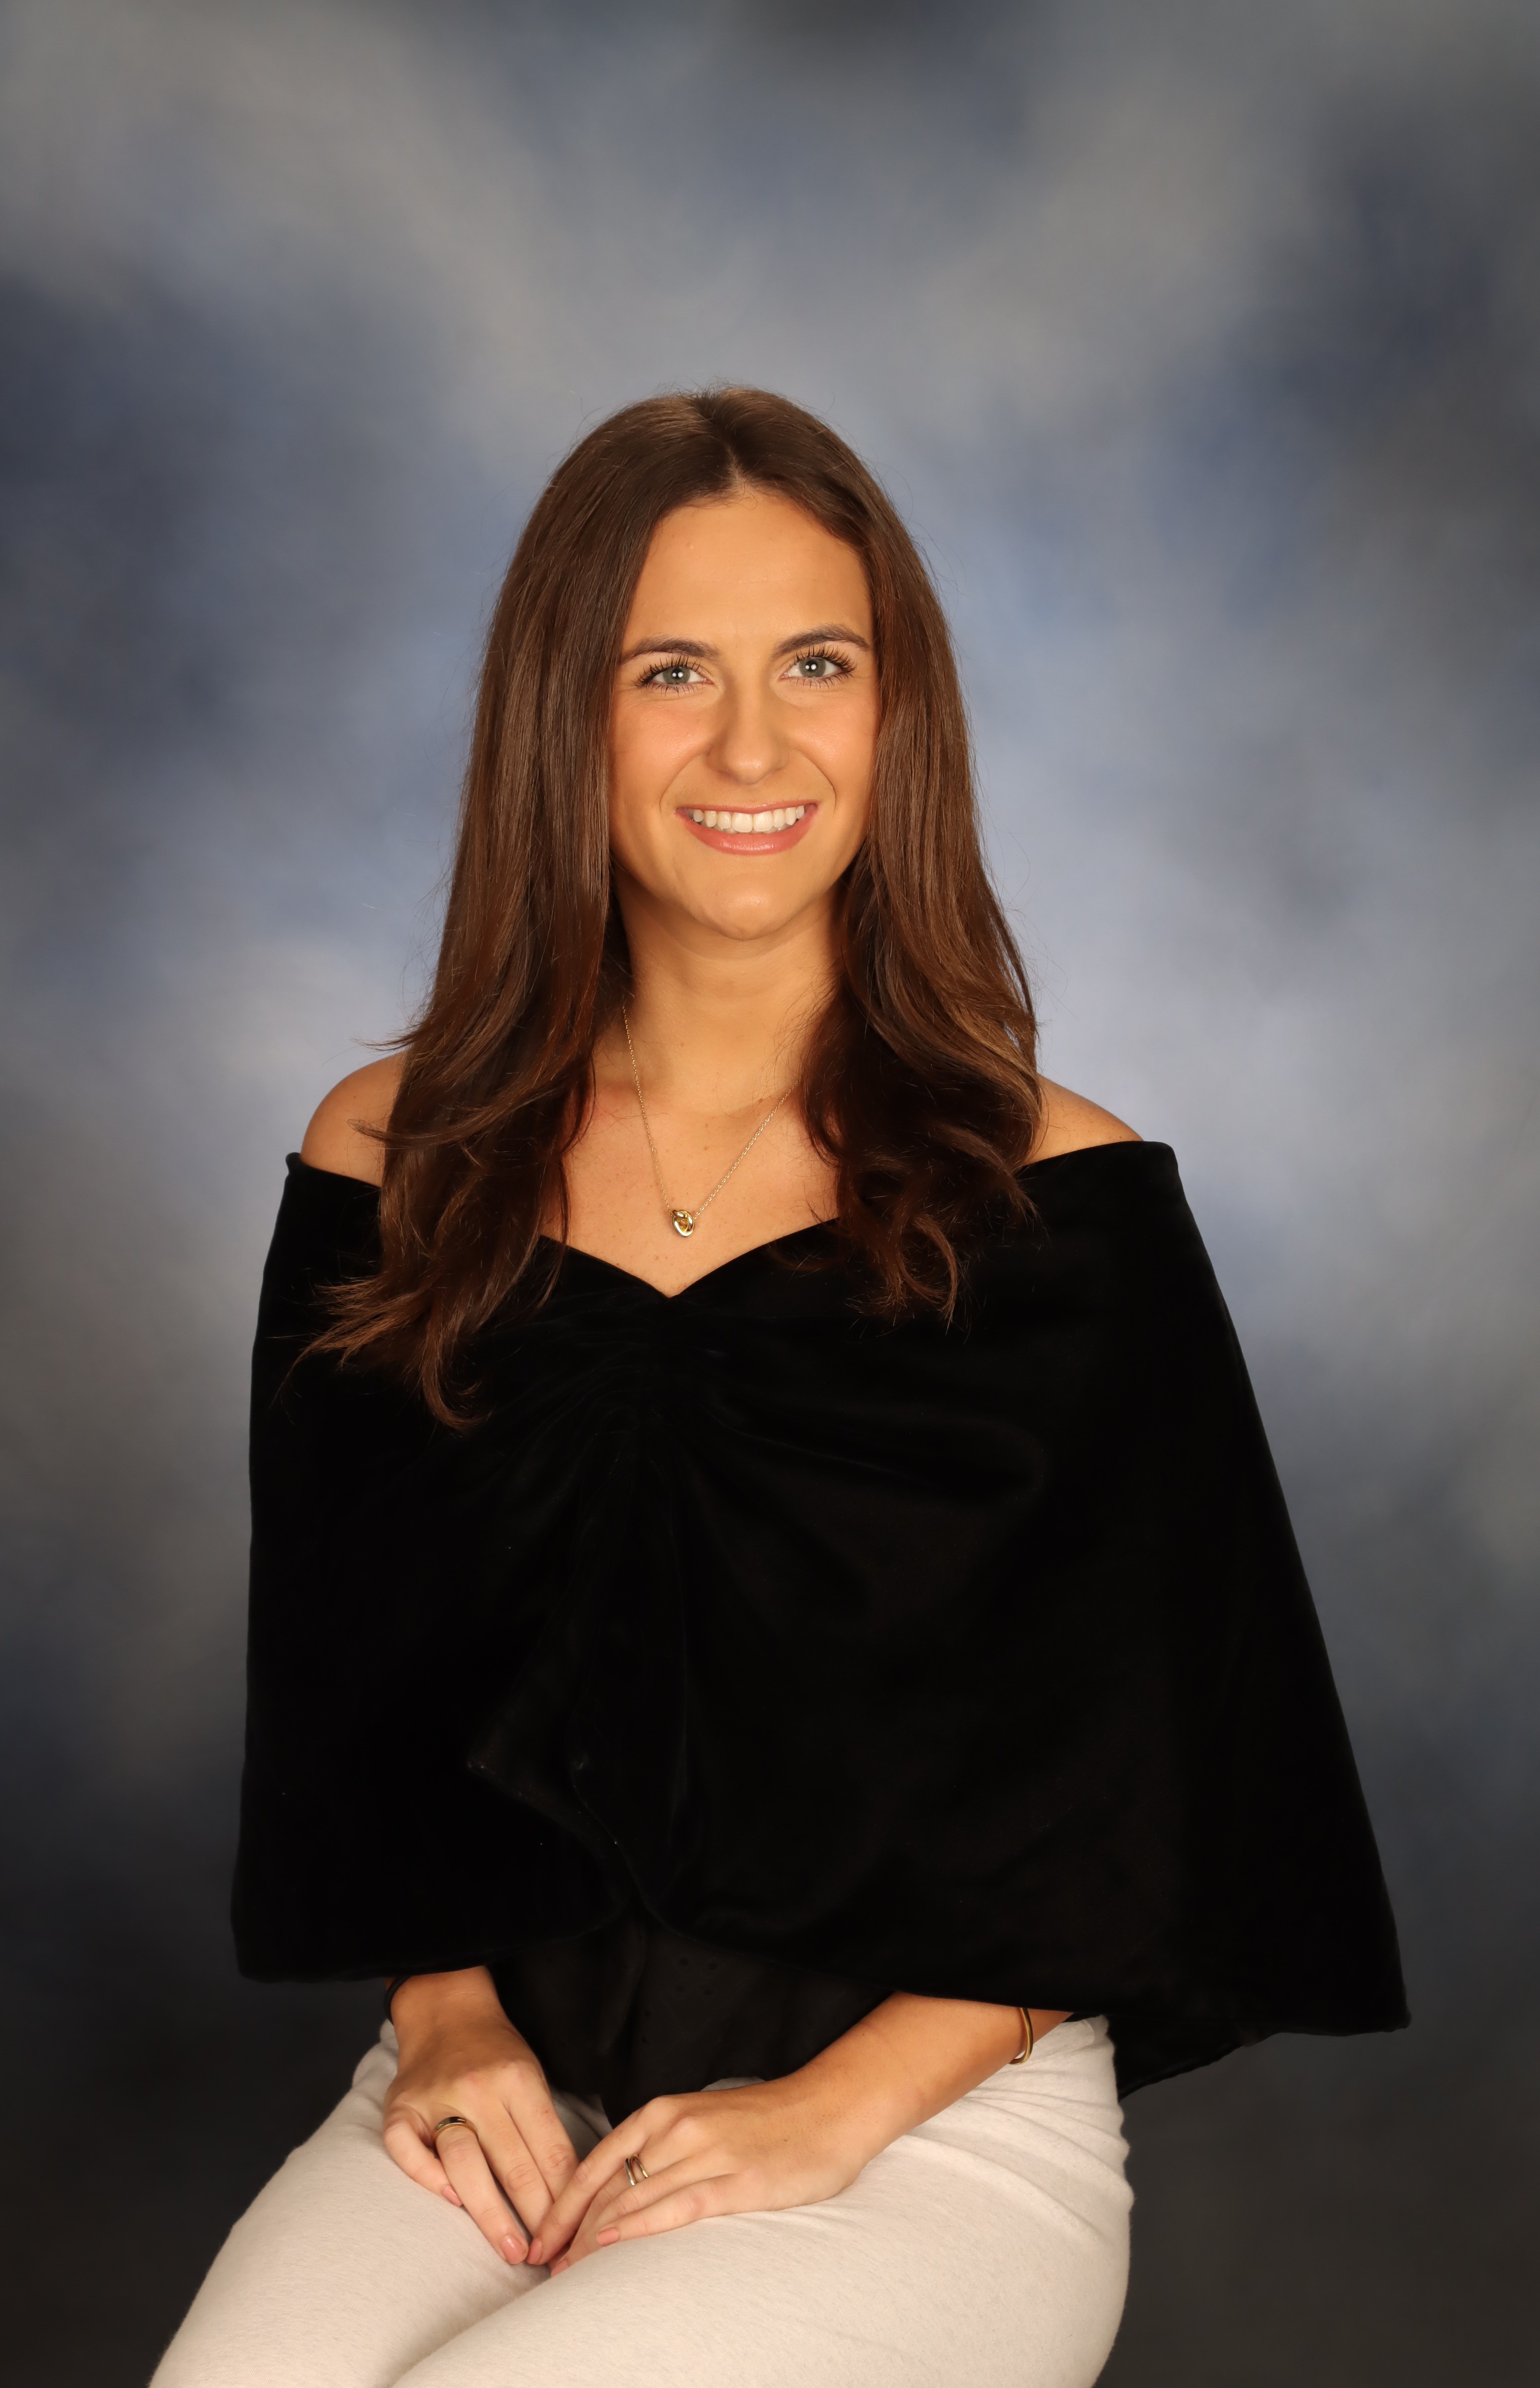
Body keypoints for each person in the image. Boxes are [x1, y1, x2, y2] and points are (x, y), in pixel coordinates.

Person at [153, 388, 1407, 2388]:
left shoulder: (1065, 1199)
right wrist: (448, 2018)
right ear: (563, 717)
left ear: (895, 718)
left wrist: (825, 2116)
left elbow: (1164, 1793)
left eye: (817, 665)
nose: (753, 747)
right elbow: (348, 1687)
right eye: (672, 672)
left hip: (919, 2125)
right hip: (497, 2078)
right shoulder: (393, 1158)